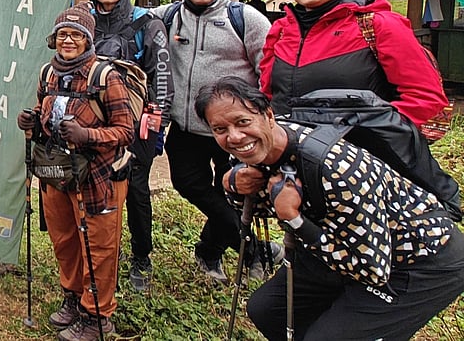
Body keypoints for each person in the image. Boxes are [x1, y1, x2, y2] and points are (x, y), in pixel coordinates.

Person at [198, 76, 464, 341]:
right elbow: (258, 207)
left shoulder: (336, 171)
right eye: (220, 129)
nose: (234, 136)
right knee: (268, 311)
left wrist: (295, 219)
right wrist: (233, 185)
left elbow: (372, 270)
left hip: (417, 261)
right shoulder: (247, 150)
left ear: (268, 115)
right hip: (341, 247)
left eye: (243, 122)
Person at [150, 0, 274, 284]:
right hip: (185, 126)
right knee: (190, 184)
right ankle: (254, 249)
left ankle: (210, 252)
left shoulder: (246, 18)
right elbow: (130, 20)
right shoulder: (168, 16)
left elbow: (269, 69)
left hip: (235, 129)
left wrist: (266, 117)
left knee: (236, 193)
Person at [17, 5, 134, 341]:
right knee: (65, 240)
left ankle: (97, 317)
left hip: (98, 177)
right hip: (57, 172)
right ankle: (73, 298)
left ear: (88, 39)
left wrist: (89, 136)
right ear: (54, 39)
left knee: (97, 245)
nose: (69, 40)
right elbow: (45, 111)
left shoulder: (105, 76)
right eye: (63, 34)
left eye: (76, 34)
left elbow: (126, 131)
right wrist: (32, 121)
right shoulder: (48, 74)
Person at [260, 0, 448, 125]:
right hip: (289, 148)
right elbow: (270, 94)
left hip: (359, 152)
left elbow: (425, 98)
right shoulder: (281, 30)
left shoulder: (377, 25)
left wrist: (370, 131)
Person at [86, 0, 173, 292]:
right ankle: (100, 253)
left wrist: (158, 122)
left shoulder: (147, 23)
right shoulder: (87, 23)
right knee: (95, 186)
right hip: (94, 120)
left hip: (137, 123)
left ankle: (141, 257)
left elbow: (162, 74)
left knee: (136, 188)